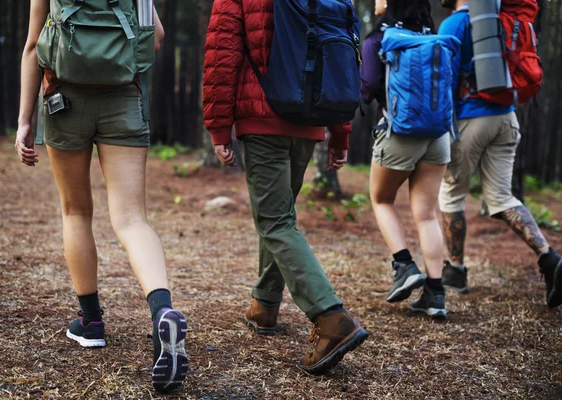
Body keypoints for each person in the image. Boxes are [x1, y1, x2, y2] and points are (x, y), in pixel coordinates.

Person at [15, 0, 187, 393]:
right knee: (132, 219)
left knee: (75, 212)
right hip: (124, 97)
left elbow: (32, 45)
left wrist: (25, 121)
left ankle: (91, 322)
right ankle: (162, 311)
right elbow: (156, 39)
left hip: (63, 99)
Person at [203, 0, 368, 375]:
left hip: (262, 119)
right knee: (279, 217)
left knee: (276, 221)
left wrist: (218, 125)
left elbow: (221, 54)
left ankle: (331, 319)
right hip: (310, 120)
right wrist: (340, 132)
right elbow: (344, 58)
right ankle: (264, 304)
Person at [438, 0, 562, 308]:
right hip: (507, 117)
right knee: (502, 197)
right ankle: (550, 258)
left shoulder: (454, 24)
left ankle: (455, 270)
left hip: (471, 118)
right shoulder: (498, 18)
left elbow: (446, 81)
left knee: (451, 194)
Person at [360, 0, 450, 318]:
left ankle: (404, 265)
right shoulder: (432, 34)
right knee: (426, 214)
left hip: (399, 133)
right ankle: (436, 295)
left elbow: (368, 85)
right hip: (438, 136)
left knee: (382, 199)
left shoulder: (378, 39)